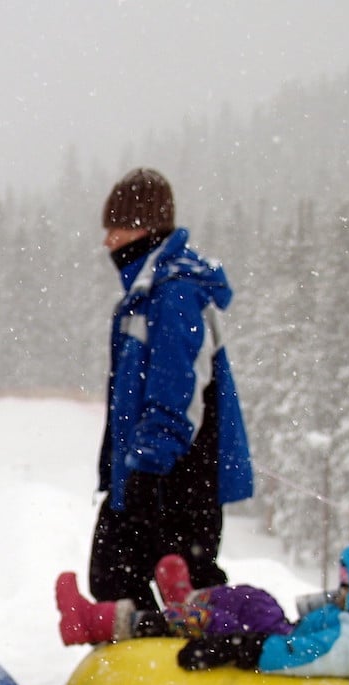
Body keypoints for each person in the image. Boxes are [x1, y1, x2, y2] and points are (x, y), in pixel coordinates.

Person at [88, 167, 253, 614]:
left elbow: (176, 390)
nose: (108, 242)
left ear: (142, 228)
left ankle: (202, 664)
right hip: (148, 473)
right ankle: (143, 671)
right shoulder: (147, 294)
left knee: (174, 587)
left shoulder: (175, 296)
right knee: (121, 580)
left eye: (115, 229)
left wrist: (147, 466)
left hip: (177, 477)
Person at [55, 529, 349, 685]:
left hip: (279, 651)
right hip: (290, 634)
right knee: (255, 599)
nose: (341, 590)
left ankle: (97, 623)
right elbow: (327, 619)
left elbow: (304, 658)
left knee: (214, 623)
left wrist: (241, 648)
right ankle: (185, 600)